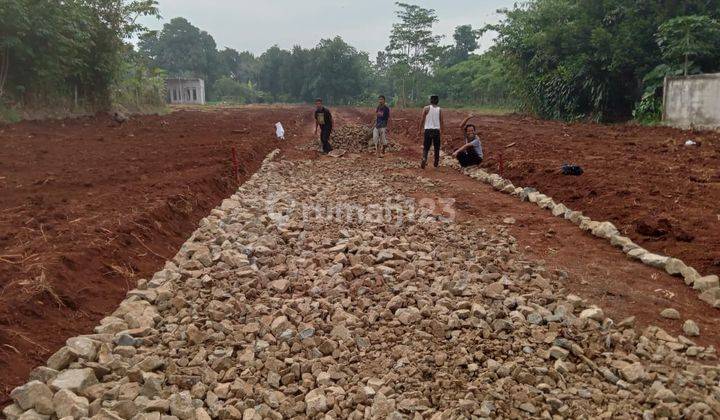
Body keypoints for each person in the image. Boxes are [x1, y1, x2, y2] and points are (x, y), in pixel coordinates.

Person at [419, 95, 444, 169]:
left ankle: (424, 158)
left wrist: (419, 130)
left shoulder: (426, 108)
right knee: (436, 147)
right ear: (437, 101)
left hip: (428, 130)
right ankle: (436, 162)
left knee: (426, 147)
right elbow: (441, 121)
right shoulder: (440, 109)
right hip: (436, 131)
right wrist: (442, 131)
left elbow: (422, 120)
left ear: (430, 100)